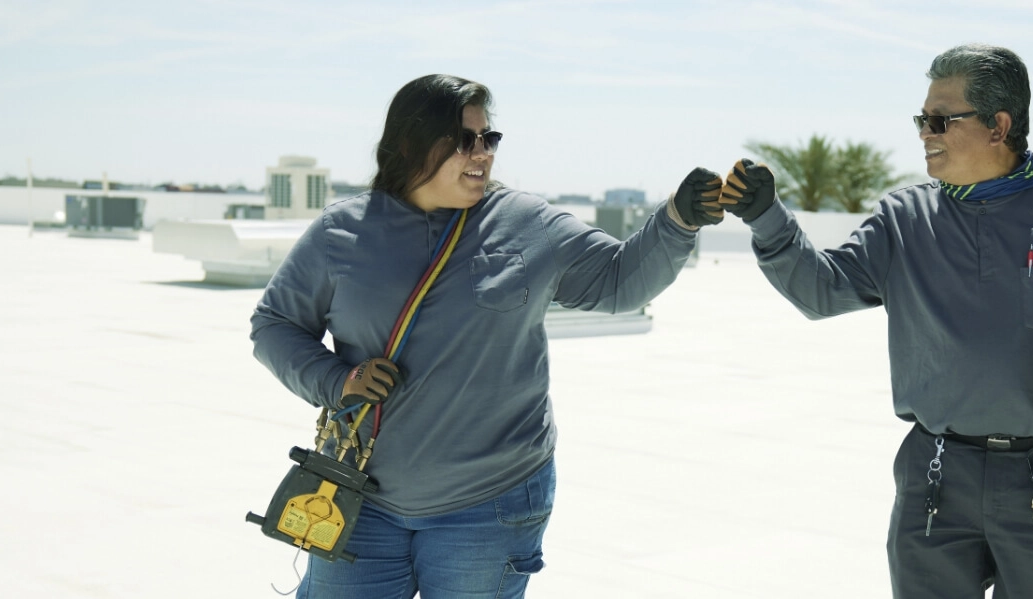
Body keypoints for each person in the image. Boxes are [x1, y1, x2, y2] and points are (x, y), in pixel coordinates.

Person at [713, 44, 1033, 598]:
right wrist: (767, 219)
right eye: (922, 119)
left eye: (940, 119)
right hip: (933, 481)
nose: (924, 132)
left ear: (998, 125)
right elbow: (821, 290)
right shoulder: (902, 219)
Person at [250, 74, 726, 598]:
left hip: (489, 507)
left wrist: (678, 220)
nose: (482, 153)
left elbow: (619, 281)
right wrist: (337, 380)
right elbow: (274, 326)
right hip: (360, 499)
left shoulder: (527, 222)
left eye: (488, 138)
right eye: (464, 140)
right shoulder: (343, 231)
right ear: (410, 144)